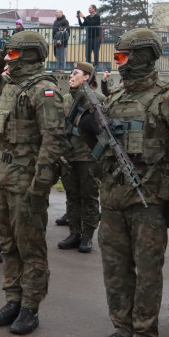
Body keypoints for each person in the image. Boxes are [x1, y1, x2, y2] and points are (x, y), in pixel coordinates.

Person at [93, 29, 169, 337]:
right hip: (113, 200)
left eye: (123, 56)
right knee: (115, 268)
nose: (118, 62)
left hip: (149, 202)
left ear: (141, 56)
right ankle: (122, 328)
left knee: (147, 270)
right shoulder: (114, 99)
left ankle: (144, 333)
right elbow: (102, 151)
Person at [0, 31, 67, 335]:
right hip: (2, 177)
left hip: (26, 182)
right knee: (7, 244)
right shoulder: (10, 87)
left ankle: (30, 306)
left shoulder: (43, 90)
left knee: (29, 247)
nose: (7, 59)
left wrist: (40, 186)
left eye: (13, 54)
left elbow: (53, 141)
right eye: (7, 54)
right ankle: (12, 299)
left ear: (29, 55)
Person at [58, 62, 101, 253]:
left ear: (87, 77)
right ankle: (74, 232)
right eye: (71, 73)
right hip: (68, 155)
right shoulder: (65, 99)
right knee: (72, 196)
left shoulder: (97, 99)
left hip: (87, 156)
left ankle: (87, 236)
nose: (71, 76)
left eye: (76, 73)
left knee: (89, 197)